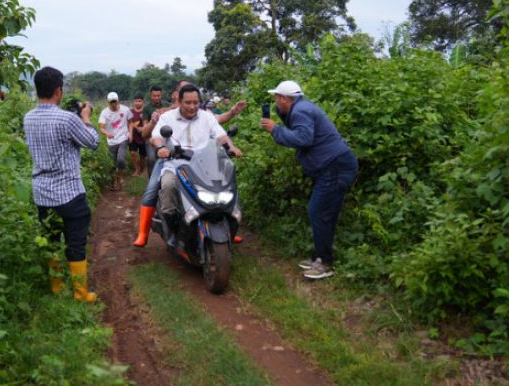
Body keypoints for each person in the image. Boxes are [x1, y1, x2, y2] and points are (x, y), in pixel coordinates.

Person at [261, 80, 358, 280]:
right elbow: (296, 130)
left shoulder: (301, 111)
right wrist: (279, 118)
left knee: (318, 211)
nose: (275, 101)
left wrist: (275, 129)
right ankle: (320, 257)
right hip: (332, 166)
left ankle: (324, 263)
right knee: (323, 212)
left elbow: (303, 138)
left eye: (277, 98)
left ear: (285, 98)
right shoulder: (300, 108)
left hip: (335, 166)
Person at [23, 66, 99, 302]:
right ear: (59, 90)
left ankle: (56, 288)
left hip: (42, 192)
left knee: (51, 240)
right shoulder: (67, 118)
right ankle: (80, 293)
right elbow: (93, 142)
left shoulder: (28, 117)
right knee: (76, 241)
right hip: (69, 192)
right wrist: (85, 118)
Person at [133, 84, 243, 247]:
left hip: (205, 165)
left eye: (196, 103)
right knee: (168, 187)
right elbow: (156, 137)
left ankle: (227, 226)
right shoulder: (167, 117)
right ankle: (170, 229)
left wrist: (231, 146)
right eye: (188, 103)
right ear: (180, 101)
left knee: (227, 186)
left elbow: (220, 135)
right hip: (175, 165)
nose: (192, 107)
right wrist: (161, 147)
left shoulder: (207, 117)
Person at [99, 91, 133, 190]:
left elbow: (130, 122)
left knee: (120, 159)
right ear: (108, 102)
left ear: (118, 101)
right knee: (112, 164)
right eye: (111, 102)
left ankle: (121, 177)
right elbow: (101, 128)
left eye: (115, 102)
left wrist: (130, 133)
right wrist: (106, 132)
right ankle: (113, 182)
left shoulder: (125, 110)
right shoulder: (104, 112)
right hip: (112, 141)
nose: (113, 104)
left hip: (123, 138)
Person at [143, 86, 170, 176]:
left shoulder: (167, 105)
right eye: (154, 96)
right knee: (151, 159)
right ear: (151, 96)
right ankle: (151, 180)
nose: (156, 98)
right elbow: (145, 126)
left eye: (158, 95)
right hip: (151, 138)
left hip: (165, 137)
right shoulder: (147, 108)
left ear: (161, 95)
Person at [128, 93, 147, 176]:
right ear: (133, 102)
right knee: (133, 153)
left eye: (140, 101)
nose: (138, 103)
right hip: (133, 136)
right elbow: (129, 124)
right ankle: (136, 169)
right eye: (136, 101)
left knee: (143, 155)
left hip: (143, 136)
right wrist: (130, 134)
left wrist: (142, 129)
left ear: (143, 102)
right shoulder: (130, 112)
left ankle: (143, 168)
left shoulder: (146, 112)